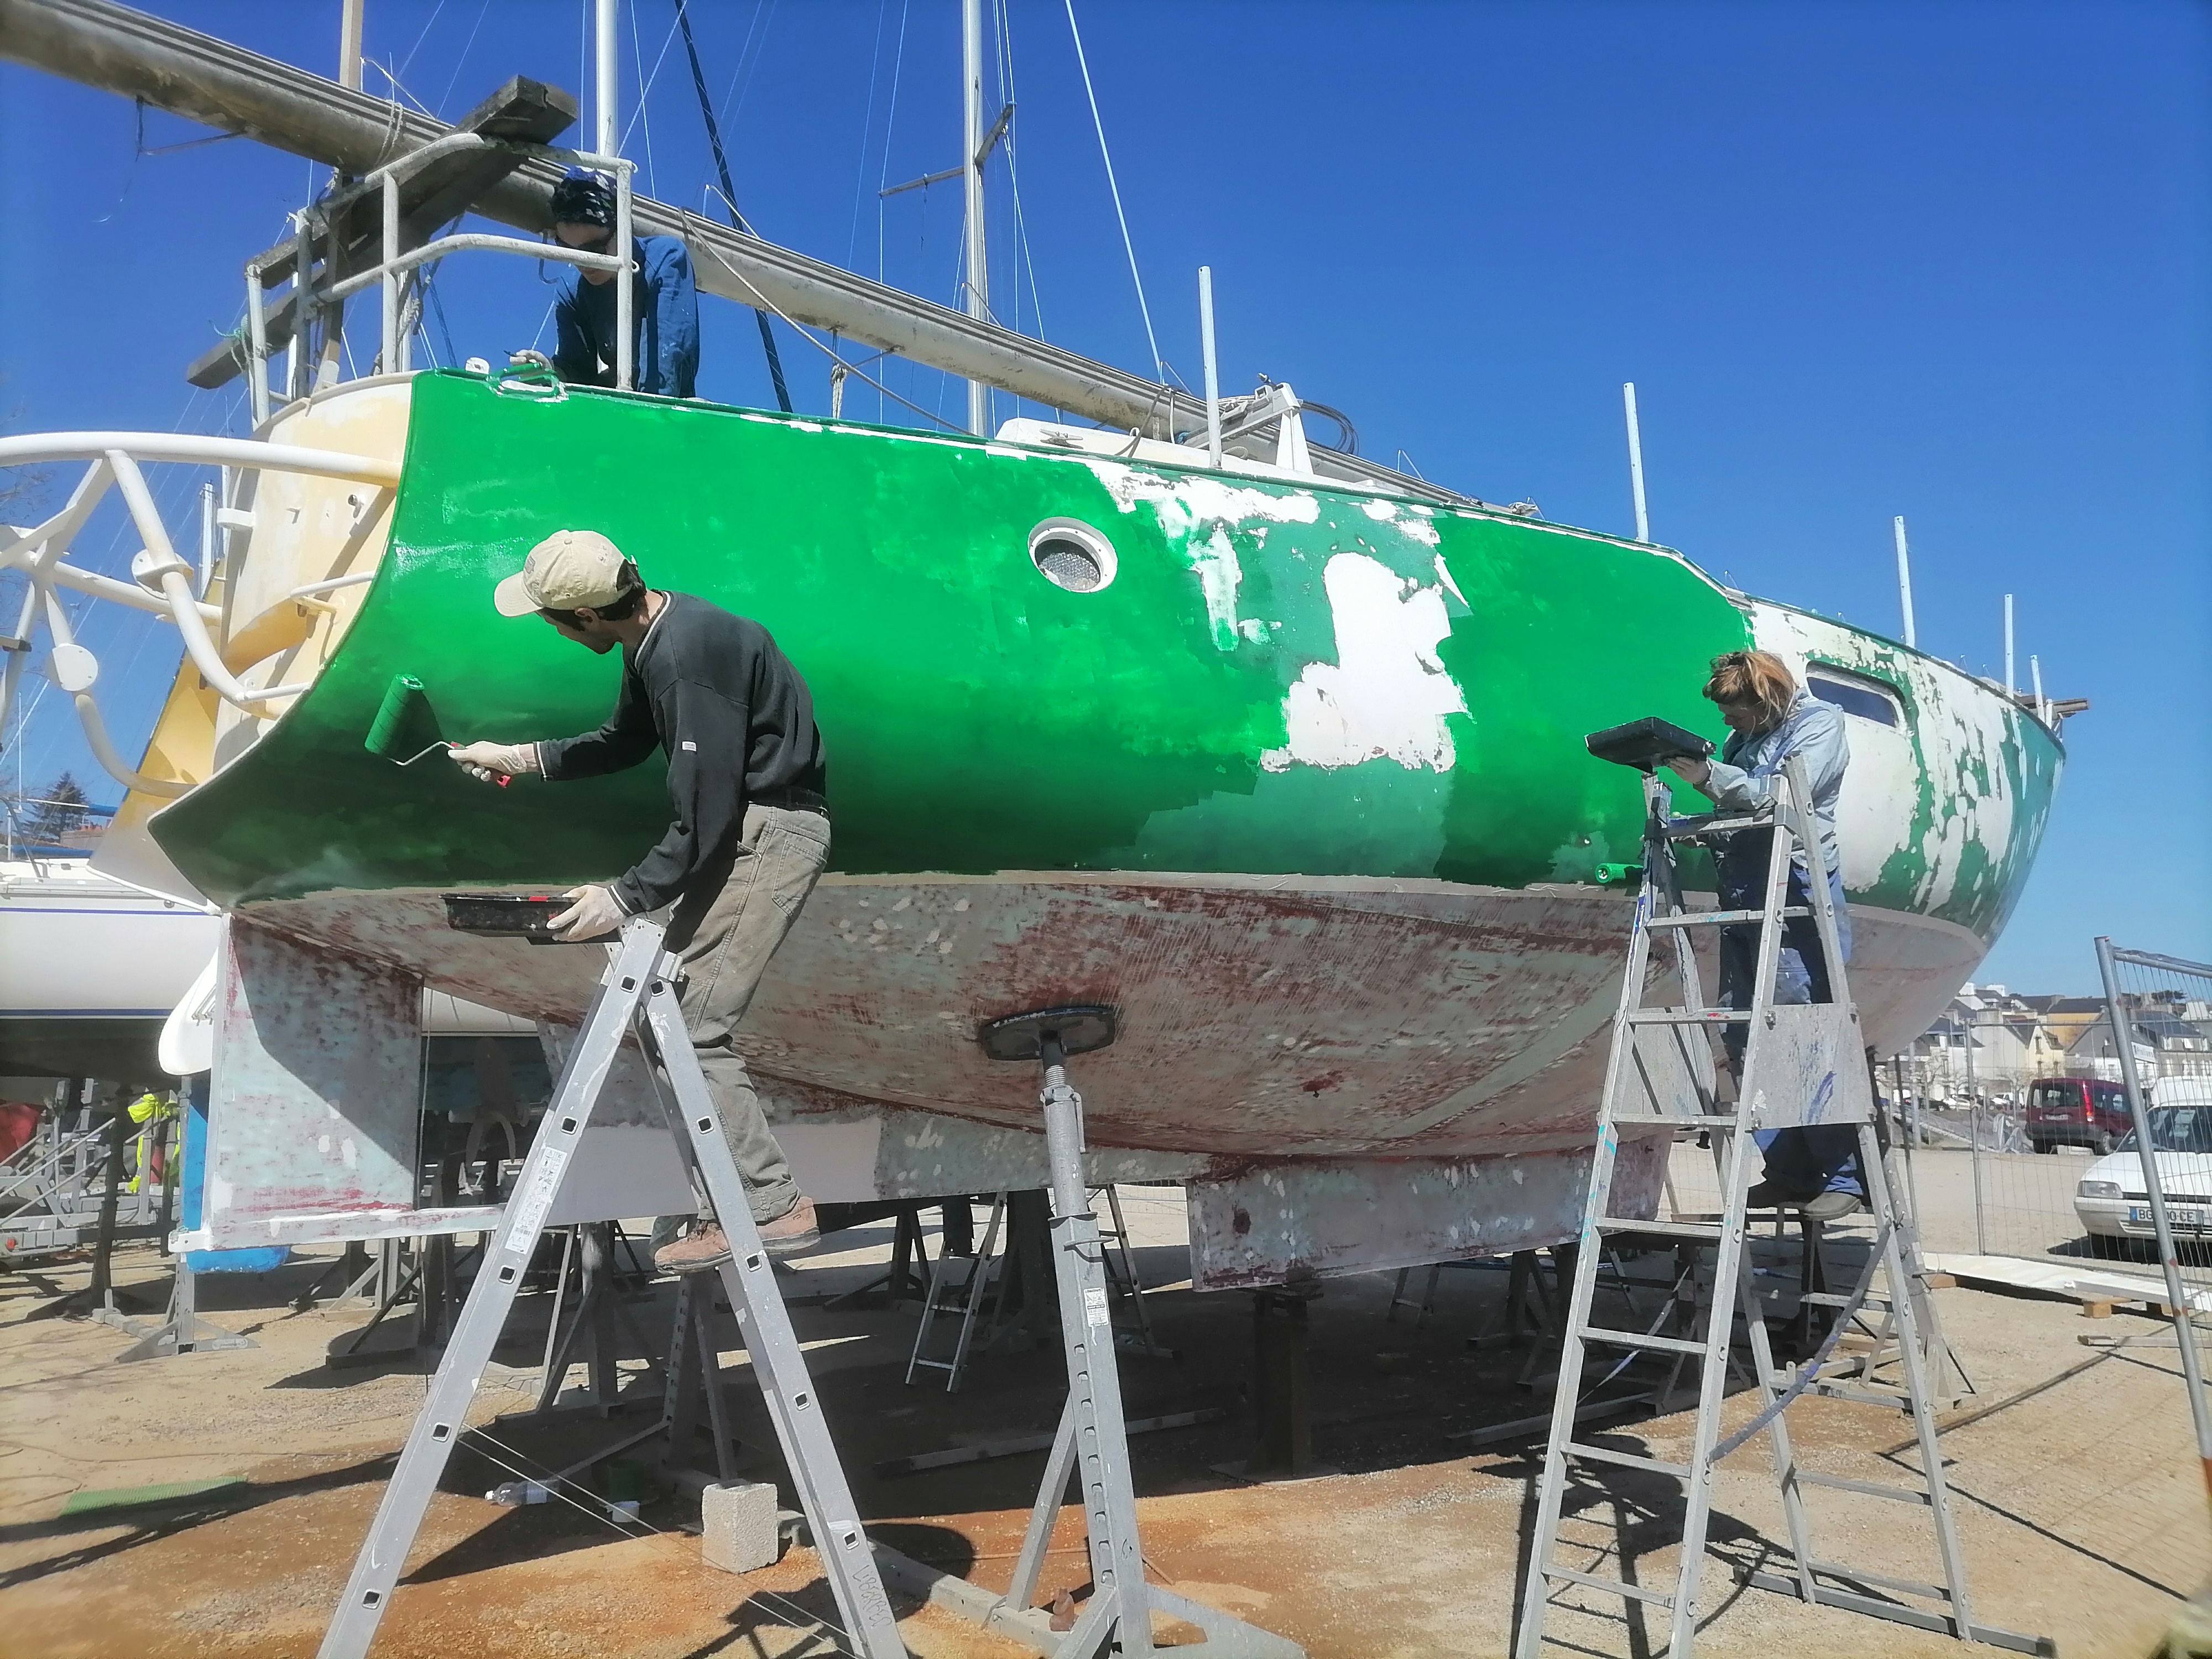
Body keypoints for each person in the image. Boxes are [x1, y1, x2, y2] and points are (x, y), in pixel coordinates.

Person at [450, 529, 828, 1270]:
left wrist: (624, 897)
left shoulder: (685, 658)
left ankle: (772, 1208)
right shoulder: (657, 635)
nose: (554, 631)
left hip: (767, 833)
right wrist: (521, 758)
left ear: (587, 616)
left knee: (695, 1027)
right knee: (668, 1023)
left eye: (552, 620)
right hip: (750, 828)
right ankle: (725, 1204)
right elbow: (624, 742)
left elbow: (705, 815)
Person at [1665, 648, 1865, 1222]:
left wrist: (1708, 777)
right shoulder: (1743, 740)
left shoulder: (1818, 724)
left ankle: (1844, 1177)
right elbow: (1744, 807)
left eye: (1735, 710)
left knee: (1805, 1030)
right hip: (1745, 891)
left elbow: (1782, 796)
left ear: (1767, 698)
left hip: (1796, 889)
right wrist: (1705, 827)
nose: (1726, 721)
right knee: (1743, 1033)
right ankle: (1788, 1169)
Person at [541, 167, 699, 398]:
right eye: (568, 250)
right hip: (609, 403)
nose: (583, 262)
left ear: (623, 228)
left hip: (662, 408)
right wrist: (549, 371)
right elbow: (577, 370)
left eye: (594, 249)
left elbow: (662, 377)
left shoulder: (667, 258)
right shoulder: (570, 289)